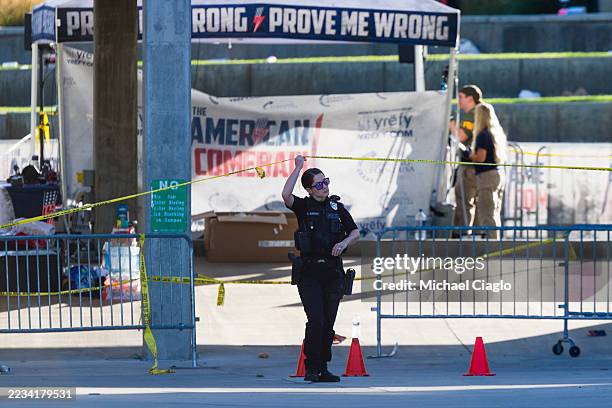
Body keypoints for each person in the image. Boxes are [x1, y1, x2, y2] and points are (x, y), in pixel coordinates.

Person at [282, 155, 360, 382]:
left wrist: (344, 243)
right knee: (315, 319)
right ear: (309, 189)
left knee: (328, 322)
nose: (324, 187)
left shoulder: (337, 207)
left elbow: (354, 232)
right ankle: (311, 367)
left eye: (325, 182)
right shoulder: (304, 207)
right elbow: (286, 195)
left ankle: (323, 367)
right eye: (318, 184)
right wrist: (297, 167)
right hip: (309, 272)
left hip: (333, 273)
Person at [470, 102, 507, 239]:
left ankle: (491, 246)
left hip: (486, 176)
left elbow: (481, 157)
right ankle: (495, 242)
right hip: (497, 173)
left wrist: (470, 155)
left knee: (487, 213)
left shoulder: (482, 135)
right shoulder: (495, 134)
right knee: (494, 211)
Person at [452, 85, 483, 234]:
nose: (458, 101)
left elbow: (461, 136)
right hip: (477, 167)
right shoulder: (480, 114)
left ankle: (462, 236)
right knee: (474, 203)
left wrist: (450, 121)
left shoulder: (473, 114)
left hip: (470, 166)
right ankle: (475, 236)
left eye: (460, 97)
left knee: (464, 202)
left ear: (470, 99)